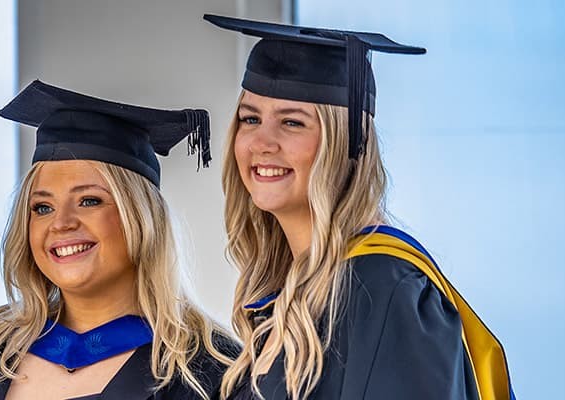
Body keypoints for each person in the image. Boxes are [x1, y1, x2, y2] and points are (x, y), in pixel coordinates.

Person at [204, 14, 512, 400]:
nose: (262, 142)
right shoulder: (287, 297)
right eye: (250, 119)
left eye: (293, 123)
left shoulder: (384, 290)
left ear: (346, 143)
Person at [0, 80, 237, 400]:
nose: (61, 223)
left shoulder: (209, 374)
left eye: (89, 201)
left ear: (141, 217)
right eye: (42, 207)